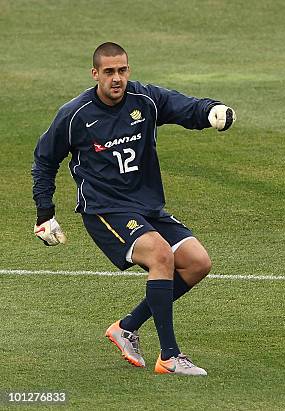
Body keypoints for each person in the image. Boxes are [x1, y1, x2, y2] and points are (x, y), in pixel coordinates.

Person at [32, 42, 236, 376]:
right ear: (95, 73)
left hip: (146, 205)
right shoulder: (75, 115)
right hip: (104, 208)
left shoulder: (144, 100)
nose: (117, 78)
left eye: (122, 70)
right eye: (109, 72)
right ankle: (170, 357)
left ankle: (126, 328)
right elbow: (44, 160)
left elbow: (183, 106)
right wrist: (45, 213)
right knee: (160, 256)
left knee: (198, 263)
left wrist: (212, 111)